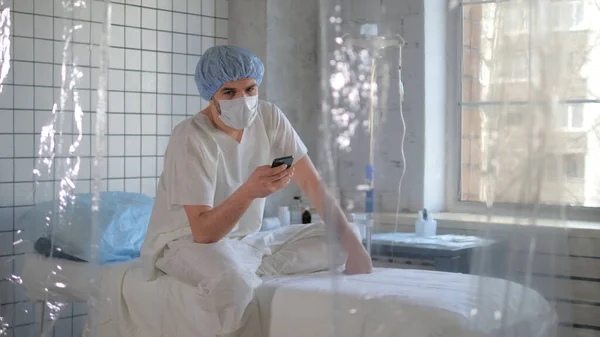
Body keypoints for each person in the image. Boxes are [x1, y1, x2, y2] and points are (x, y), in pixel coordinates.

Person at [140, 45, 372, 334]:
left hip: (245, 241)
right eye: (229, 93)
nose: (244, 100)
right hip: (186, 244)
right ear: (211, 94)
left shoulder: (269, 116)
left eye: (250, 89)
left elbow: (312, 184)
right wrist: (249, 191)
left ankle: (245, 264)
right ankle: (240, 268)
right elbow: (203, 233)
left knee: (346, 238)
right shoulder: (190, 137)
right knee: (233, 283)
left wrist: (357, 250)